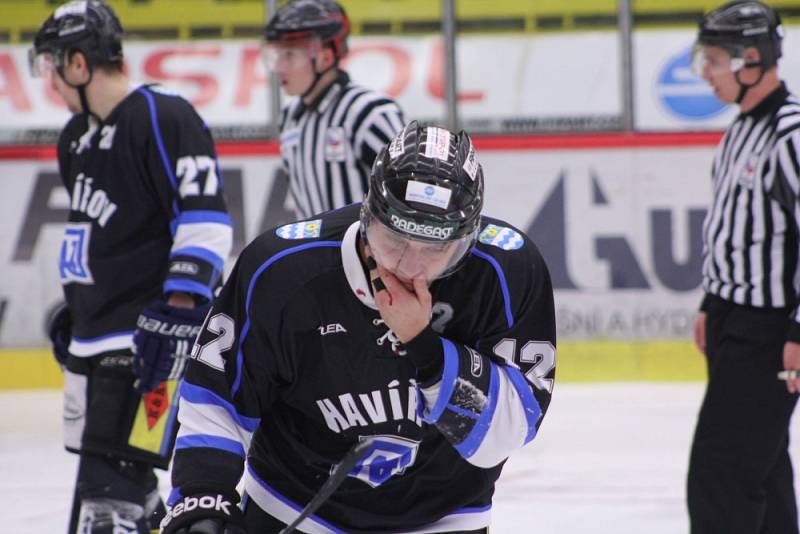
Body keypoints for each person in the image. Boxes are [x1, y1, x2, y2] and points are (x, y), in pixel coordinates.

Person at [159, 122, 557, 534]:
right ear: (368, 215)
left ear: (466, 240)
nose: (408, 265)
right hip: (292, 506)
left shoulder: (505, 273)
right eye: (395, 239)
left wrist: (425, 347)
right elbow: (218, 393)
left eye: (435, 248)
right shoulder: (280, 269)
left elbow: (507, 432)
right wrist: (202, 495)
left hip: (444, 516)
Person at [29, 1, 233, 532]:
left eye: (52, 64)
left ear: (78, 63)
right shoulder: (76, 137)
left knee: (109, 497)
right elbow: (97, 234)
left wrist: (181, 308)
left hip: (150, 341)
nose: (47, 79)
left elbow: (205, 217)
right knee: (126, 490)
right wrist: (79, 312)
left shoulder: (164, 115)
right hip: (96, 342)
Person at [688, 2, 800, 532]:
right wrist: (714, 302)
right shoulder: (739, 132)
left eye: (712, 60)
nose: (705, 73)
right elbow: (733, 232)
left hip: (770, 332)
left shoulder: (790, 135)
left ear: (749, 60)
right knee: (765, 467)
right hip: (735, 322)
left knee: (721, 476)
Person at [263, 0, 405, 219]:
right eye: (277, 56)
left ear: (325, 58)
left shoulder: (369, 112)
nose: (279, 67)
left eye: (289, 55)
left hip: (365, 251)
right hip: (316, 251)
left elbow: (406, 190)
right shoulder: (290, 117)